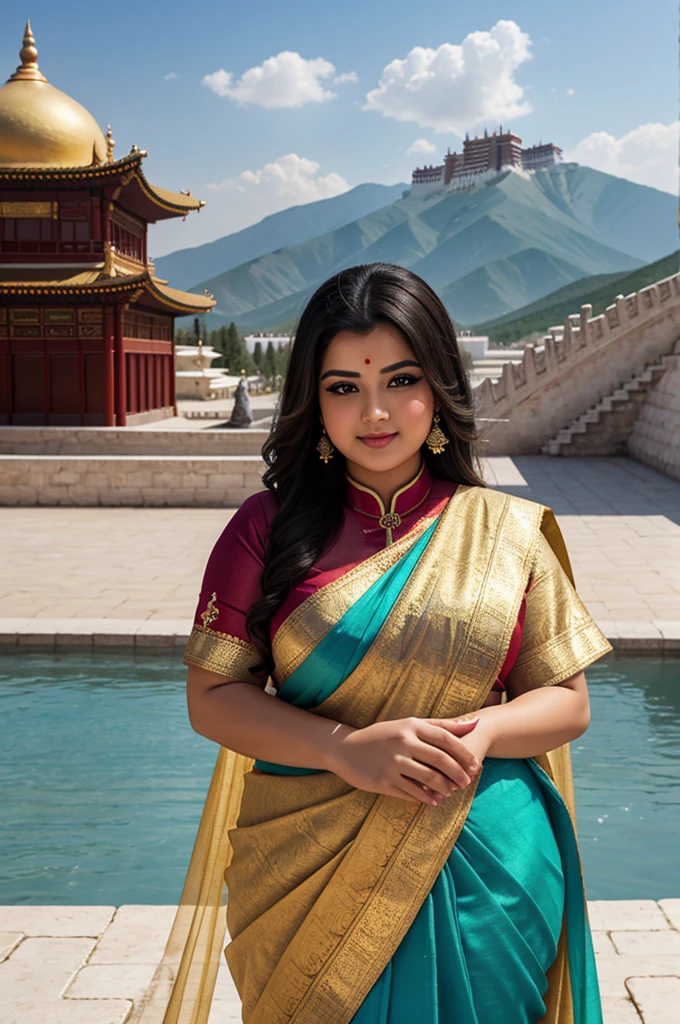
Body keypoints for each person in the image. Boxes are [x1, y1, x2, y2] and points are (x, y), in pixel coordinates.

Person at [147, 263, 612, 1024]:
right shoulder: (264, 532)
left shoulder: (507, 532)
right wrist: (341, 748)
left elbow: (568, 701)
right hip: (304, 862)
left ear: (439, 387)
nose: (375, 412)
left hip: (487, 858)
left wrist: (482, 731)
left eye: (401, 380)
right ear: (312, 397)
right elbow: (213, 698)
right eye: (343, 388)